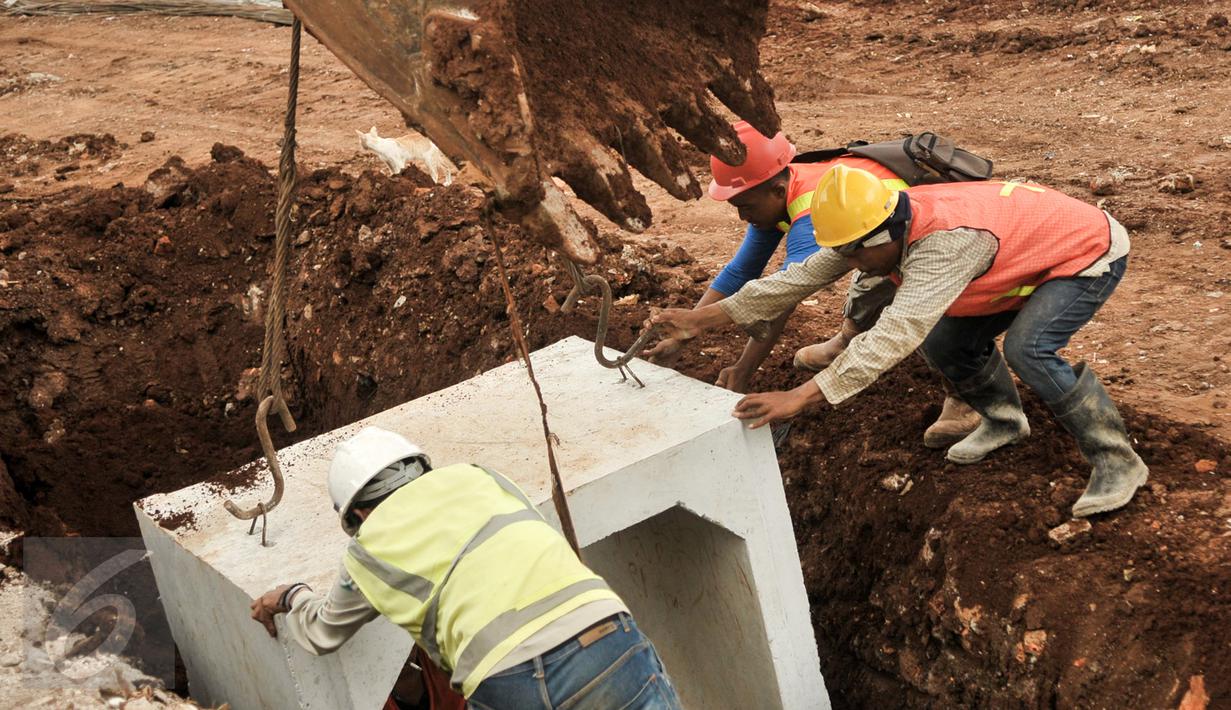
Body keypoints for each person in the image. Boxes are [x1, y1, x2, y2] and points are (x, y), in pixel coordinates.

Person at [651, 166, 1148, 517]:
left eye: (857, 256)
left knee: (1029, 348)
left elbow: (894, 334)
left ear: (881, 235)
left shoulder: (945, 243)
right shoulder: (871, 230)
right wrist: (700, 319)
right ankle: (1004, 419)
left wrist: (800, 397)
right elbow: (796, 280)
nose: (854, 266)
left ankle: (1116, 459)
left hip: (1084, 254)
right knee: (946, 339)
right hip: (1016, 254)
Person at [250, 426, 683, 709]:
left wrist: (290, 596)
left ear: (357, 514)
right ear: (418, 468)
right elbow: (538, 535)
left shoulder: (367, 550)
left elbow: (322, 632)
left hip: (502, 679)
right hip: (600, 640)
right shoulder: (480, 476)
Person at [644, 120, 979, 448]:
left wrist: (743, 370)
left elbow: (784, 298)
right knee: (867, 282)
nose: (741, 217)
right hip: (882, 234)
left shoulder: (811, 214)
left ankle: (965, 394)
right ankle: (847, 339)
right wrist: (685, 331)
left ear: (775, 191)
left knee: (920, 311)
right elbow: (740, 271)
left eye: (744, 207)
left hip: (942, 233)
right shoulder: (776, 193)